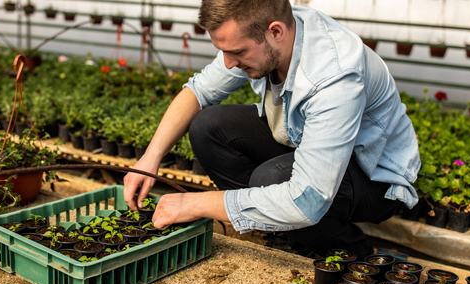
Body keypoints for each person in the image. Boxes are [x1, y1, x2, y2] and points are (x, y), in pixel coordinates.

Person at [123, 0, 420, 259]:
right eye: (223, 51)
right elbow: (200, 91)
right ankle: (284, 229)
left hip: (374, 178)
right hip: (308, 144)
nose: (227, 63)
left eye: (237, 52)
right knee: (207, 127)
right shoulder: (269, 30)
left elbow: (308, 199)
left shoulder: (335, 76)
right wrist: (150, 159)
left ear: (275, 31)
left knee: (270, 179)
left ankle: (351, 251)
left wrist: (195, 202)